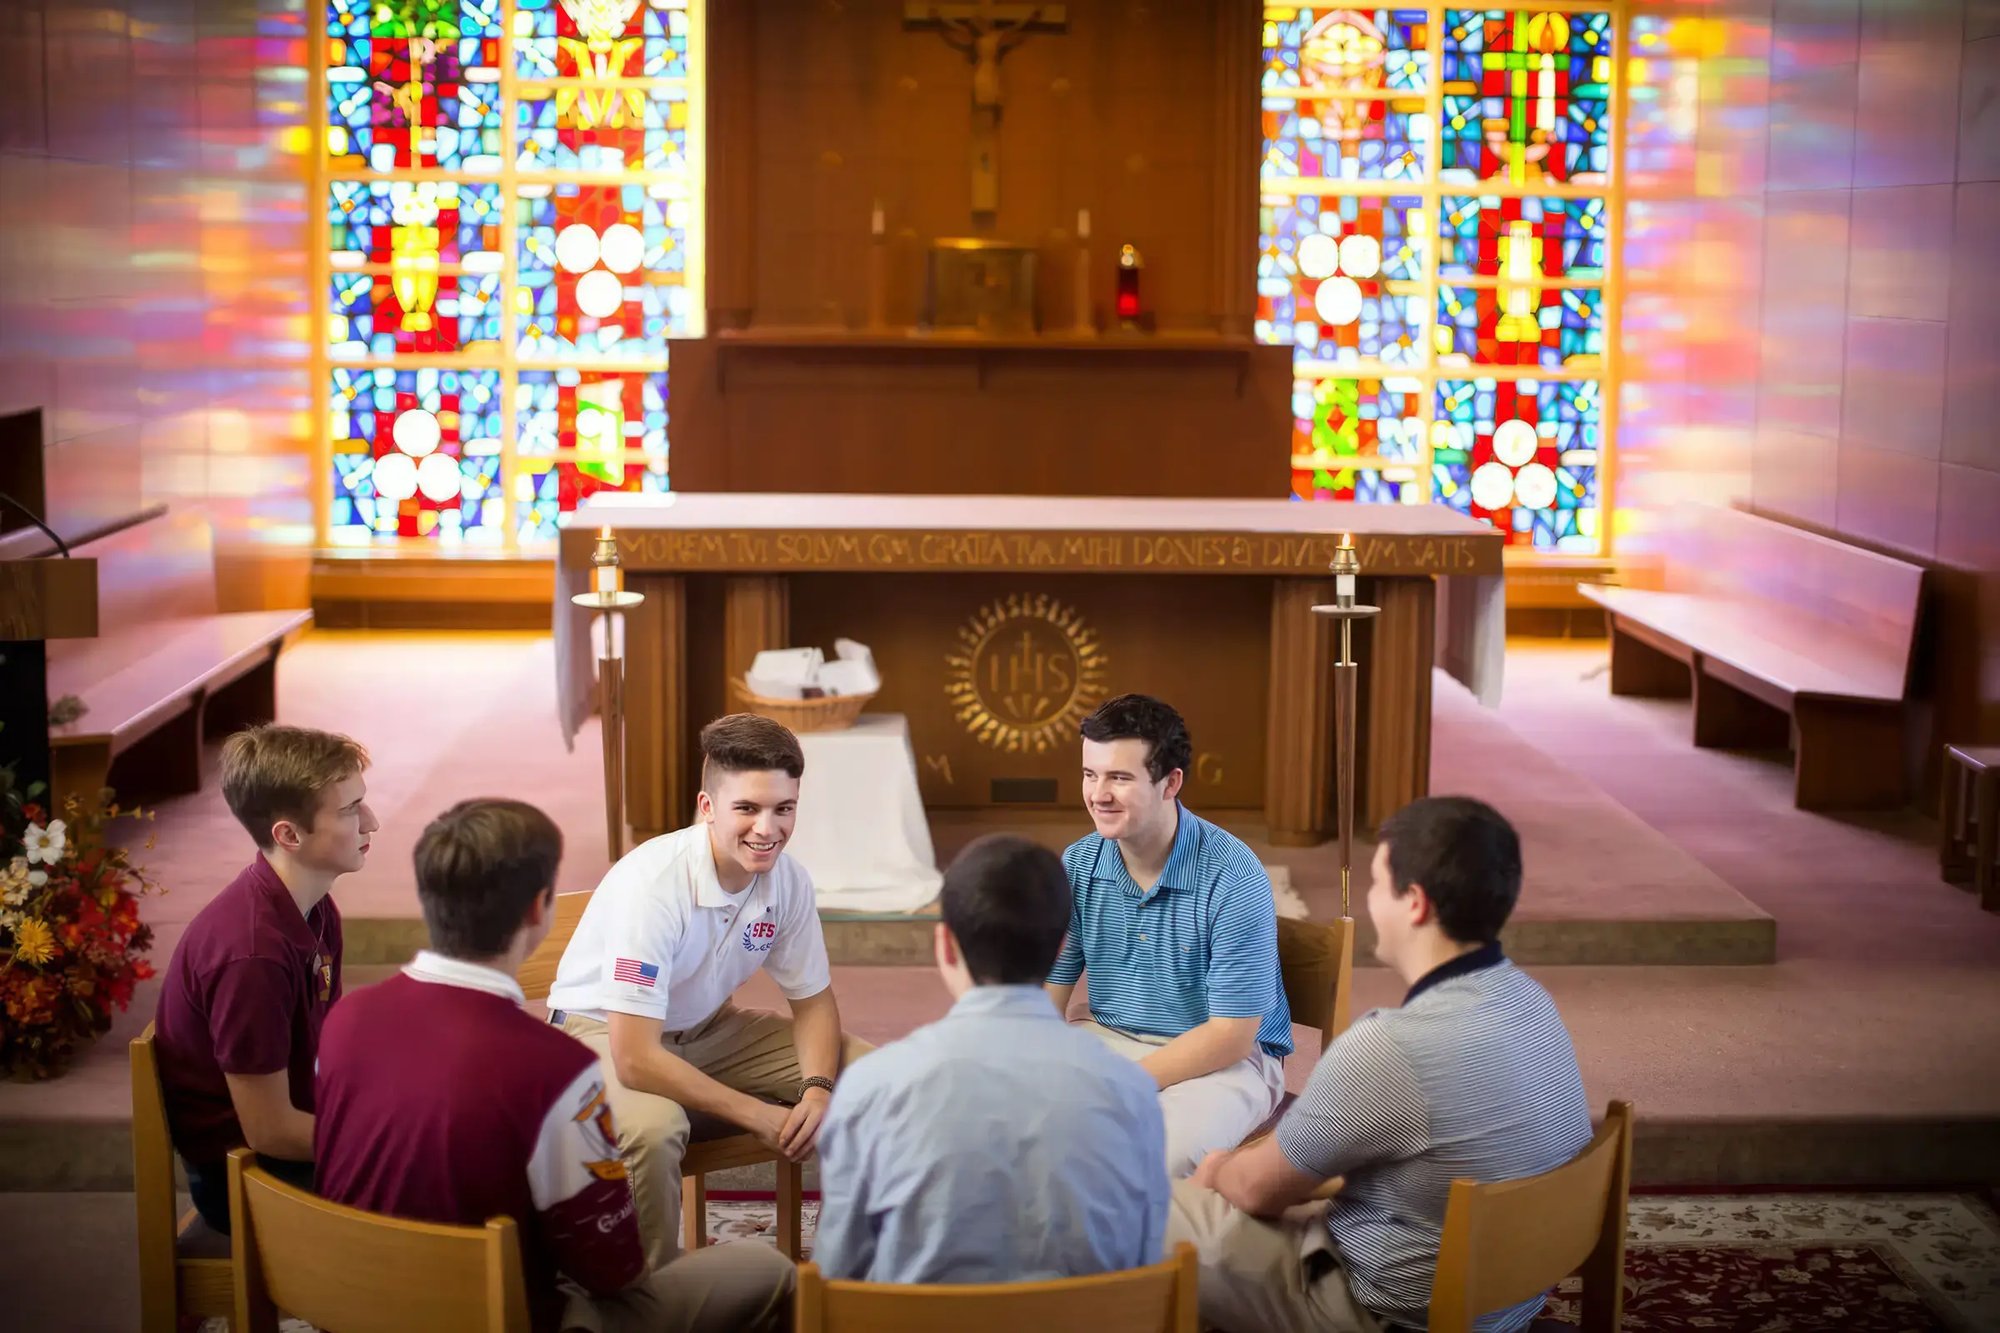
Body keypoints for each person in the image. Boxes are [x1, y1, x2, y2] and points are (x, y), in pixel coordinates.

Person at [315, 799, 793, 1333]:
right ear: (539, 910)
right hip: (499, 1314)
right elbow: (612, 1269)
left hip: (356, 1304)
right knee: (767, 1270)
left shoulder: (345, 1020)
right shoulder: (557, 1070)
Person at [1167, 797, 1593, 1333]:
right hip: (1504, 1301)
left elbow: (1253, 1190)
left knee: (1143, 1206)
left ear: (1414, 903)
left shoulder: (1390, 1047)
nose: (1369, 902)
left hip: (1387, 1312)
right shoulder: (1531, 1000)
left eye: (1374, 883)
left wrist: (1216, 1171)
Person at [546, 713, 868, 1269]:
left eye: (783, 809)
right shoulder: (654, 885)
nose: (767, 829)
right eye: (747, 808)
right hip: (600, 1031)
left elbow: (813, 1000)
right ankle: (649, 1296)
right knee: (654, 1128)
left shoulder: (787, 880)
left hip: (707, 1028)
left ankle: (854, 1266)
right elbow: (635, 1057)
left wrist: (816, 1089)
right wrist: (757, 1115)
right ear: (707, 806)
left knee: (871, 1076)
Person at [815, 833, 1169, 1284]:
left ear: (945, 945)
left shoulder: (871, 1087)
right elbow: (1141, 1267)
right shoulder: (1131, 1091)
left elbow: (837, 1276)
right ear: (1061, 947)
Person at [1046, 693, 1292, 1179]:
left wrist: (1123, 1082)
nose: (1098, 794)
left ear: (1170, 783)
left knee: (1143, 1162)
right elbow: (1051, 988)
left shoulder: (1233, 874)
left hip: (1223, 1063)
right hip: (1108, 1037)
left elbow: (1231, 1035)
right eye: (1090, 774)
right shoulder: (1078, 863)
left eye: (1119, 777)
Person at [153, 724, 377, 1232]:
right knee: (444, 1183)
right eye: (349, 811)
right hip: (248, 1178)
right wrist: (384, 1140)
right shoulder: (251, 955)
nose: (372, 822)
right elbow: (270, 1131)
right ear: (289, 835)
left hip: (297, 1138)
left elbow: (324, 1051)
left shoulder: (314, 907)